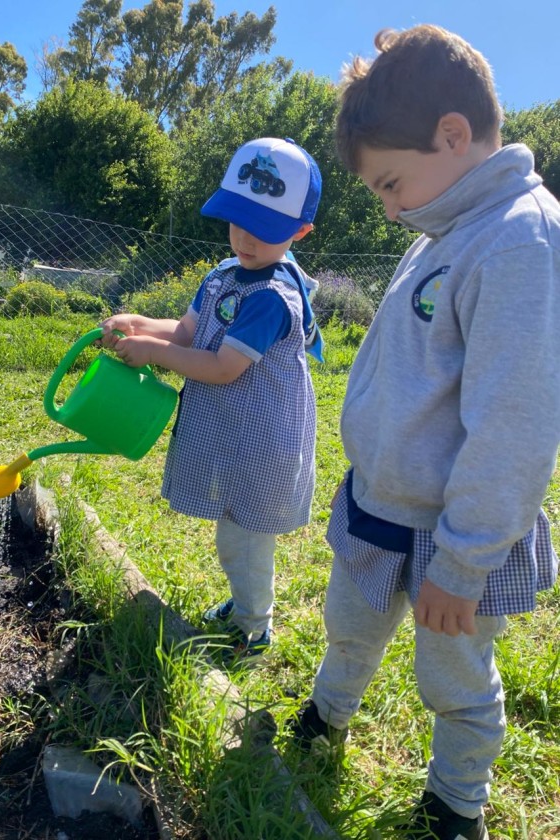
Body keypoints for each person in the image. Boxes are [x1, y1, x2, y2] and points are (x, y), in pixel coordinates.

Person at [288, 24, 560, 840]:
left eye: (391, 182)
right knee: (350, 625)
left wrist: (465, 558)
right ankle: (327, 714)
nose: (390, 203)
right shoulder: (441, 231)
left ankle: (454, 802)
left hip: (451, 534)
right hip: (380, 504)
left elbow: (515, 420)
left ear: (452, 134)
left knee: (456, 672)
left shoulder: (519, 239)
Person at [100, 137, 323, 665]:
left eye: (262, 229)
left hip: (262, 437)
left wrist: (151, 351)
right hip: (230, 431)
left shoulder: (272, 297)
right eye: (236, 221)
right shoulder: (223, 274)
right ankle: (246, 606)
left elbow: (223, 367)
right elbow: (186, 334)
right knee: (233, 531)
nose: (244, 238)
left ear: (299, 232)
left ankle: (255, 628)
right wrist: (141, 325)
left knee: (245, 539)